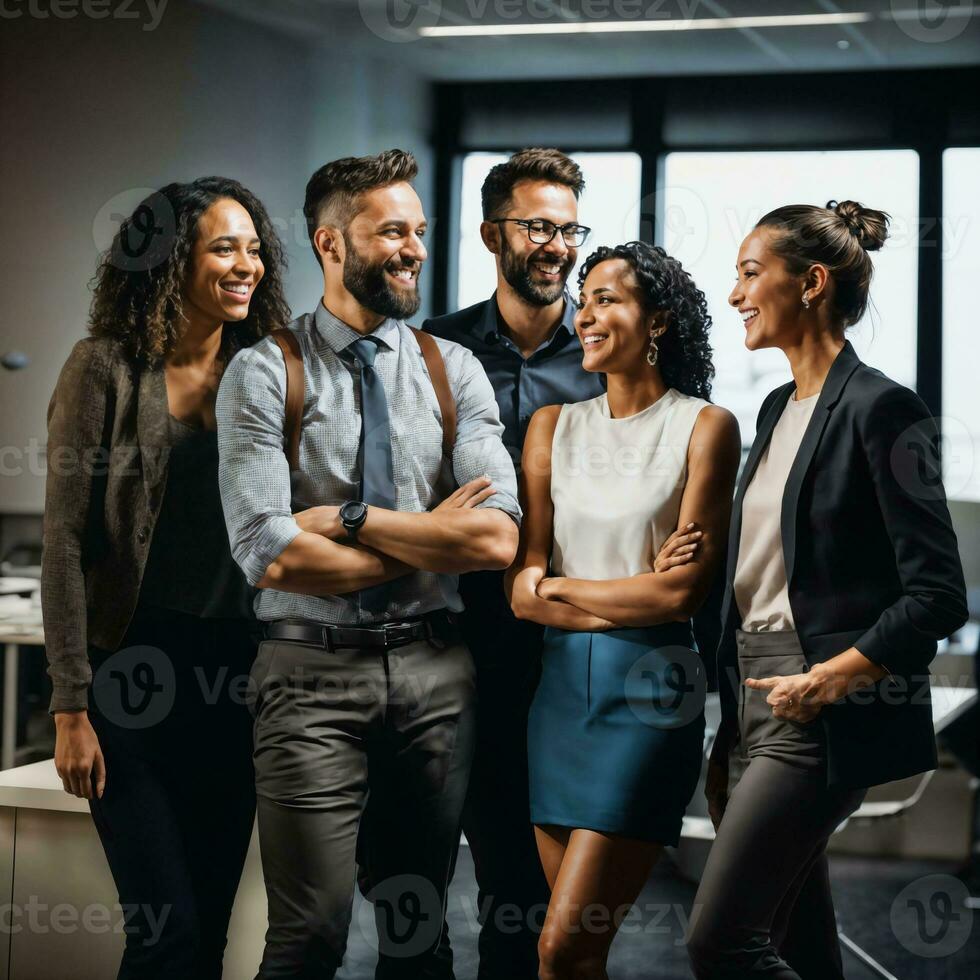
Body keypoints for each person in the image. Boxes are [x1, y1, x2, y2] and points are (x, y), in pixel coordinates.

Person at [215, 148, 521, 978]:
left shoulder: (452, 370)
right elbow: (266, 552)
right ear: (330, 242)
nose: (414, 247)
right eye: (392, 231)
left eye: (418, 231)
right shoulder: (262, 371)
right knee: (310, 933)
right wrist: (425, 541)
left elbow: (496, 539)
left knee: (420, 933)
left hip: (435, 678)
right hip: (306, 679)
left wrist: (353, 520)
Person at [686, 200, 970, 979]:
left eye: (750, 273)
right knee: (794, 944)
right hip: (750, 697)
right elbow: (775, 567)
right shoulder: (777, 408)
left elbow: (939, 595)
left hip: (821, 708)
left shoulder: (883, 408)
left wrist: (828, 680)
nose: (736, 293)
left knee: (720, 943)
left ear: (810, 283)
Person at [43, 177, 290, 978]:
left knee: (212, 934)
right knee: (166, 933)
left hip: (239, 678)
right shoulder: (105, 369)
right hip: (133, 677)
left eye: (254, 248)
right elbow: (64, 545)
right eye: (223, 247)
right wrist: (71, 705)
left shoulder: (269, 372)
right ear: (169, 261)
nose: (245, 264)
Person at [505, 241, 741, 980]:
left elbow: (679, 594)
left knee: (561, 947)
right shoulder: (552, 429)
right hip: (558, 701)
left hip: (651, 696)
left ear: (660, 320)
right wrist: (613, 596)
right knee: (581, 954)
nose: (586, 313)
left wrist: (563, 590)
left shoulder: (706, 427)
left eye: (607, 297)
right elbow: (520, 589)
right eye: (584, 299)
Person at [422, 147, 605, 978]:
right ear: (492, 231)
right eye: (537, 225)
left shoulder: (610, 355)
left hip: (570, 651)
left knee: (543, 897)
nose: (555, 245)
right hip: (449, 644)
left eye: (569, 229)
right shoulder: (434, 351)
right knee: (440, 880)